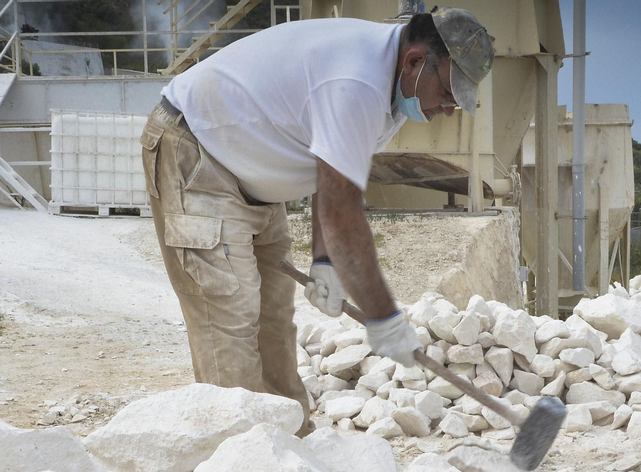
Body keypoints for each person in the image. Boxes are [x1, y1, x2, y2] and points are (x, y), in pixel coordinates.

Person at [140, 7, 494, 432]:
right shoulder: (357, 82)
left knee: (273, 319)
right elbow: (343, 213)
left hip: (253, 177)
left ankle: (291, 442)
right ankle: (239, 451)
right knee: (229, 319)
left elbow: (332, 172)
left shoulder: (396, 89)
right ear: (416, 61)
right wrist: (383, 317)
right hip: (197, 152)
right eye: (449, 92)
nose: (450, 108)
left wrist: (325, 261)